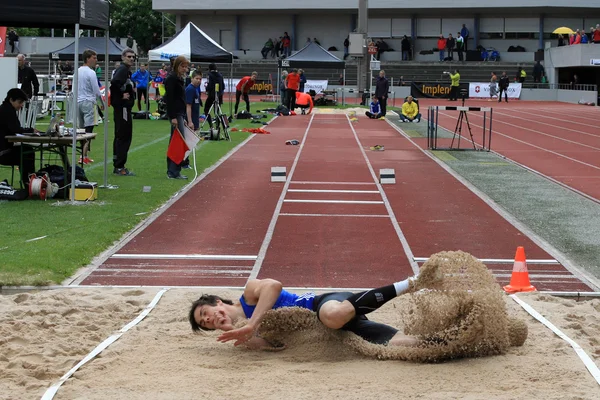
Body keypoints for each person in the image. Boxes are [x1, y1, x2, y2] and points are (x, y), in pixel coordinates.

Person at [189, 276, 421, 349]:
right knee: (405, 345)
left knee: (332, 316)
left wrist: (252, 323)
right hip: (334, 331)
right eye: (207, 324)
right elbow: (278, 346)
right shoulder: (244, 336)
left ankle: (409, 284)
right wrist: (245, 333)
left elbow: (274, 286)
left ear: (218, 302)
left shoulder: (249, 293)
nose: (209, 320)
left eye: (205, 313)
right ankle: (452, 341)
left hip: (324, 305)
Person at [0, 88, 36, 188]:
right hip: (3, 152)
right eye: (20, 102)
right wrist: (31, 131)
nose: (21, 105)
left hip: (4, 149)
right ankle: (29, 183)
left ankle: (28, 181)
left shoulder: (6, 109)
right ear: (11, 100)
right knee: (27, 153)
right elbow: (16, 129)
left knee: (27, 151)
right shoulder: (7, 111)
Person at [110, 48, 136, 176]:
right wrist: (121, 95)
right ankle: (120, 166)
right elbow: (114, 83)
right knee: (124, 136)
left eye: (133, 57)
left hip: (123, 108)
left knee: (121, 135)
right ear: (123, 57)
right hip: (123, 108)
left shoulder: (126, 71)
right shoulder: (123, 70)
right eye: (129, 56)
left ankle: (118, 163)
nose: (131, 59)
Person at [165, 55, 190, 180]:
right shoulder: (172, 79)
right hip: (176, 113)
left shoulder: (179, 78)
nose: (186, 69)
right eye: (183, 66)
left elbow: (180, 99)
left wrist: (182, 116)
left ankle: (173, 170)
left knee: (176, 141)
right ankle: (174, 171)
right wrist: (173, 116)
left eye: (186, 67)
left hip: (179, 113)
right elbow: (170, 99)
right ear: (178, 66)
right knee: (178, 142)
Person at [77, 49, 104, 165]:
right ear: (88, 59)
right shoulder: (91, 72)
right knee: (88, 131)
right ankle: (83, 156)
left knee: (81, 130)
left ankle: (83, 155)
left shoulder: (77, 71)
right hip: (89, 102)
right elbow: (96, 90)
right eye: (94, 58)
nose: (96, 60)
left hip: (78, 102)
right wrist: (102, 103)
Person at [204, 63, 225, 128]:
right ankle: (218, 126)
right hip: (219, 95)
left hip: (211, 95)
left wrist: (207, 89)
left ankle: (211, 125)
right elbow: (223, 86)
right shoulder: (220, 75)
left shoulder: (210, 75)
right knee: (217, 112)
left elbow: (209, 85)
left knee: (206, 110)